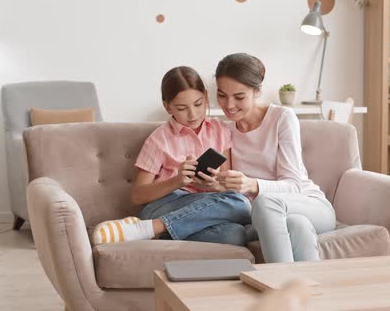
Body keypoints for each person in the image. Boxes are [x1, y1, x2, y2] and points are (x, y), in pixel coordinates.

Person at [91, 66, 251, 246]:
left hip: (204, 204)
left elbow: (227, 186)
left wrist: (214, 184)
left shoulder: (219, 130)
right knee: (241, 203)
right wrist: (178, 180)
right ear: (167, 107)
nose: (193, 114)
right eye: (182, 108)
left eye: (198, 104)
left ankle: (156, 231)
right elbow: (137, 196)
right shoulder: (159, 139)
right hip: (164, 205)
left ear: (206, 97)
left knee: (234, 234)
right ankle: (149, 227)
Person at [211, 53, 336, 262]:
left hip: (308, 203)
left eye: (239, 97)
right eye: (222, 95)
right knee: (297, 226)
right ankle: (305, 291)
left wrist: (252, 184)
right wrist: (215, 183)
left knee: (266, 202)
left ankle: (276, 286)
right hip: (269, 216)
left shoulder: (281, 118)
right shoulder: (225, 130)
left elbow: (294, 185)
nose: (229, 104)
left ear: (257, 90)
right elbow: (231, 189)